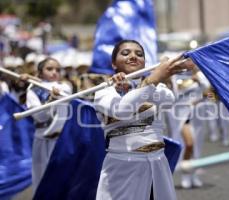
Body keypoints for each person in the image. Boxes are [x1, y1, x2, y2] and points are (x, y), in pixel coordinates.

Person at [94, 40, 192, 200]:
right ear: (113, 64)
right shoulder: (104, 92)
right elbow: (122, 110)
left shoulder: (157, 88)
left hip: (157, 162)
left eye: (139, 54)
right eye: (125, 53)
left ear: (145, 62)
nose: (133, 56)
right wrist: (151, 81)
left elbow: (168, 99)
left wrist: (147, 82)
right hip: (124, 164)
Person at [25, 57, 71, 192]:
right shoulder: (33, 89)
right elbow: (39, 116)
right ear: (40, 72)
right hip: (42, 137)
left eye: (57, 69)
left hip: (62, 138)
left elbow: (65, 96)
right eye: (49, 69)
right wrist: (49, 99)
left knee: (62, 176)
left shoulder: (64, 87)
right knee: (41, 176)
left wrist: (54, 96)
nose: (54, 72)